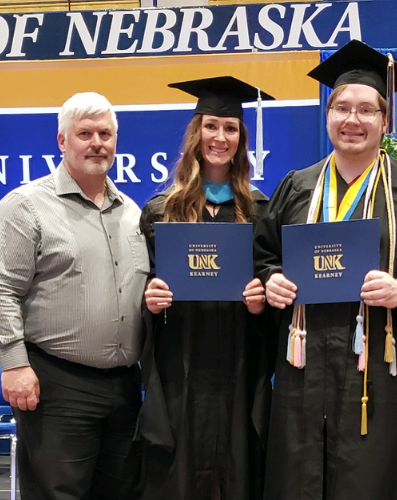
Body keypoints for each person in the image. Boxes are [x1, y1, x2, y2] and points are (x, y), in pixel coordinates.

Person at [253, 40, 397, 500]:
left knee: (375, 480)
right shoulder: (296, 187)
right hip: (304, 368)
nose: (352, 120)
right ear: (327, 115)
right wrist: (273, 282)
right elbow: (263, 255)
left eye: (366, 110)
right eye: (342, 108)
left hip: (382, 370)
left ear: (385, 121)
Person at [0, 92, 147, 500]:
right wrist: (14, 365)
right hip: (56, 385)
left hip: (124, 388)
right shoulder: (27, 206)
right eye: (84, 133)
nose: (97, 143)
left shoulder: (132, 214)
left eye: (105, 133)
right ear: (61, 141)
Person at [138, 76, 275, 500]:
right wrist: (152, 299)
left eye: (230, 128)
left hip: (238, 361)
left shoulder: (259, 209)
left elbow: (274, 280)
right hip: (183, 362)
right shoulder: (163, 210)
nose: (221, 137)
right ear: (197, 134)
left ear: (241, 139)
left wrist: (260, 304)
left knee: (236, 472)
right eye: (212, 126)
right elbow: (144, 284)